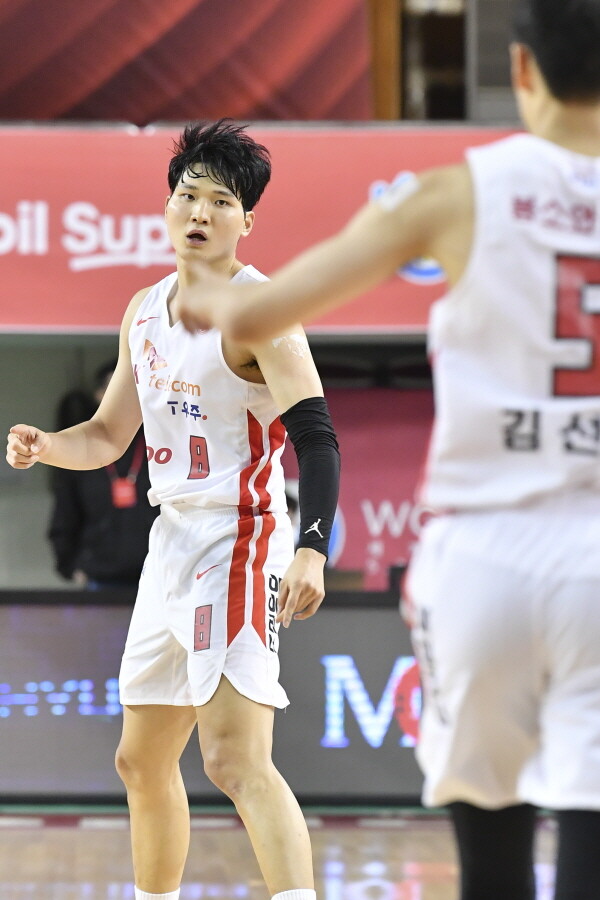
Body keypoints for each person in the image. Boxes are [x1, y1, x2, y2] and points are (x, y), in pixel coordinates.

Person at [171, 3, 600, 898]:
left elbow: (260, 310)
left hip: (489, 553)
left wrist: (207, 296)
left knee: (492, 831)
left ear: (522, 68)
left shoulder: (460, 191)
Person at [6, 119, 340, 900]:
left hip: (240, 537)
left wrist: (312, 546)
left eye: (221, 201)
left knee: (234, 760)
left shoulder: (262, 312)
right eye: (189, 195)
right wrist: (47, 445)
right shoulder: (145, 309)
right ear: (167, 207)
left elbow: (317, 439)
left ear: (246, 221)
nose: (200, 211)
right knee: (140, 760)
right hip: (174, 541)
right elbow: (107, 435)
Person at [48, 359, 159, 589]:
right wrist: (71, 566)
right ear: (99, 395)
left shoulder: (160, 442)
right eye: (115, 389)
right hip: (99, 575)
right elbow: (65, 512)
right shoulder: (83, 447)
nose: (124, 397)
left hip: (157, 572)